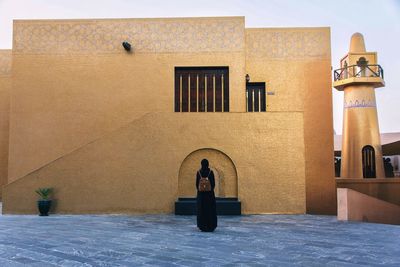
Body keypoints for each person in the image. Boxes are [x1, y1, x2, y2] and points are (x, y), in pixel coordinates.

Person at [196, 159, 217, 232]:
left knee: (202, 210)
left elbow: (197, 185)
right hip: (209, 195)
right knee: (210, 210)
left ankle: (202, 226)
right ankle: (211, 226)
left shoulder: (199, 172)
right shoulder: (211, 172)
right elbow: (213, 184)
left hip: (201, 196)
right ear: (208, 164)